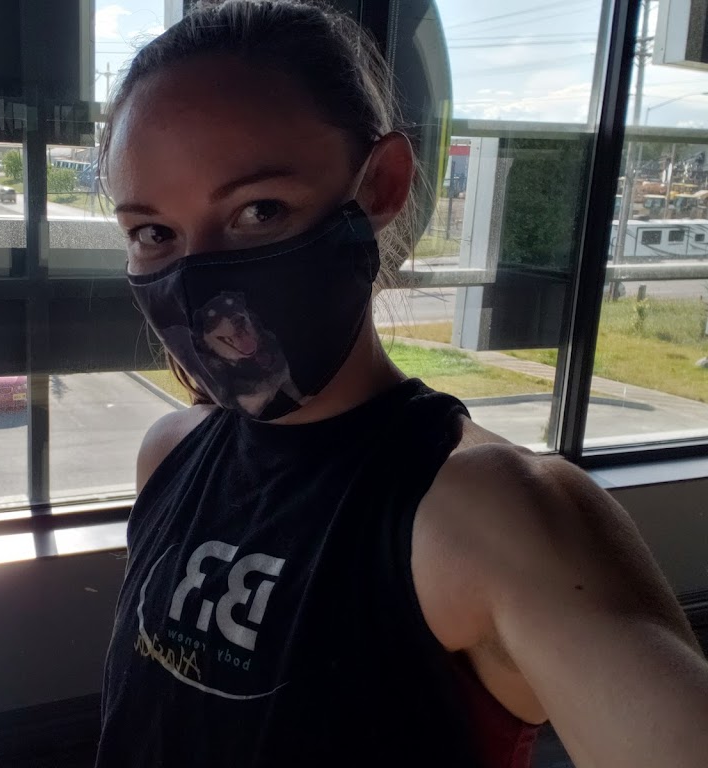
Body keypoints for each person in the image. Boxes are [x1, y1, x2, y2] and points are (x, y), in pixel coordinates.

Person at [94, 2, 708, 766]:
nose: (202, 278)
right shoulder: (170, 454)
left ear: (380, 186)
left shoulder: (485, 514)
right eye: (154, 232)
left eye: (260, 210)